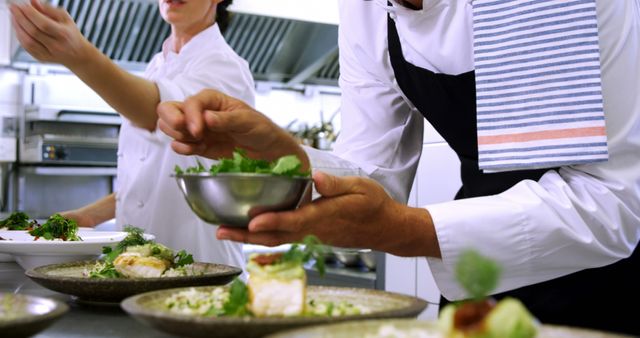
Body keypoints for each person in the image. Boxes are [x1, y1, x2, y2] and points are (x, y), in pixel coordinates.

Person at [158, 0, 639, 334]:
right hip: (480, 276)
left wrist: (404, 229)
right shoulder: (367, 10)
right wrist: (289, 159)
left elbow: (615, 201)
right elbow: (373, 174)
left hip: (610, 277)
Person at [9, 0, 254, 270]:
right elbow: (147, 179)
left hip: (202, 266)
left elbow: (160, 114)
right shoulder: (158, 64)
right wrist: (88, 216)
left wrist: (78, 53)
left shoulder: (226, 67)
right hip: (140, 265)